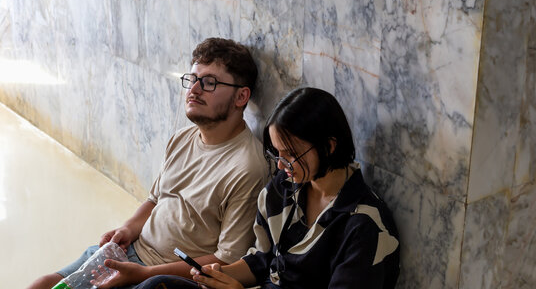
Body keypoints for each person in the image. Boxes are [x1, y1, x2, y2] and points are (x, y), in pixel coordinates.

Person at [27, 38, 269, 289]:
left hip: (168, 278)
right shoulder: (182, 139)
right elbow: (154, 201)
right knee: (43, 284)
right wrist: (127, 229)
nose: (194, 90)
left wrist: (144, 274)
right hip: (132, 254)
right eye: (192, 79)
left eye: (209, 82)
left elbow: (225, 260)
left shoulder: (248, 167)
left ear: (241, 96)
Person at [134, 87, 400, 289]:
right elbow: (262, 260)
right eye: (278, 154)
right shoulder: (284, 189)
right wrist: (219, 274)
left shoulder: (364, 225)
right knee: (156, 285)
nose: (283, 166)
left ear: (329, 146)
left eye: (292, 154)